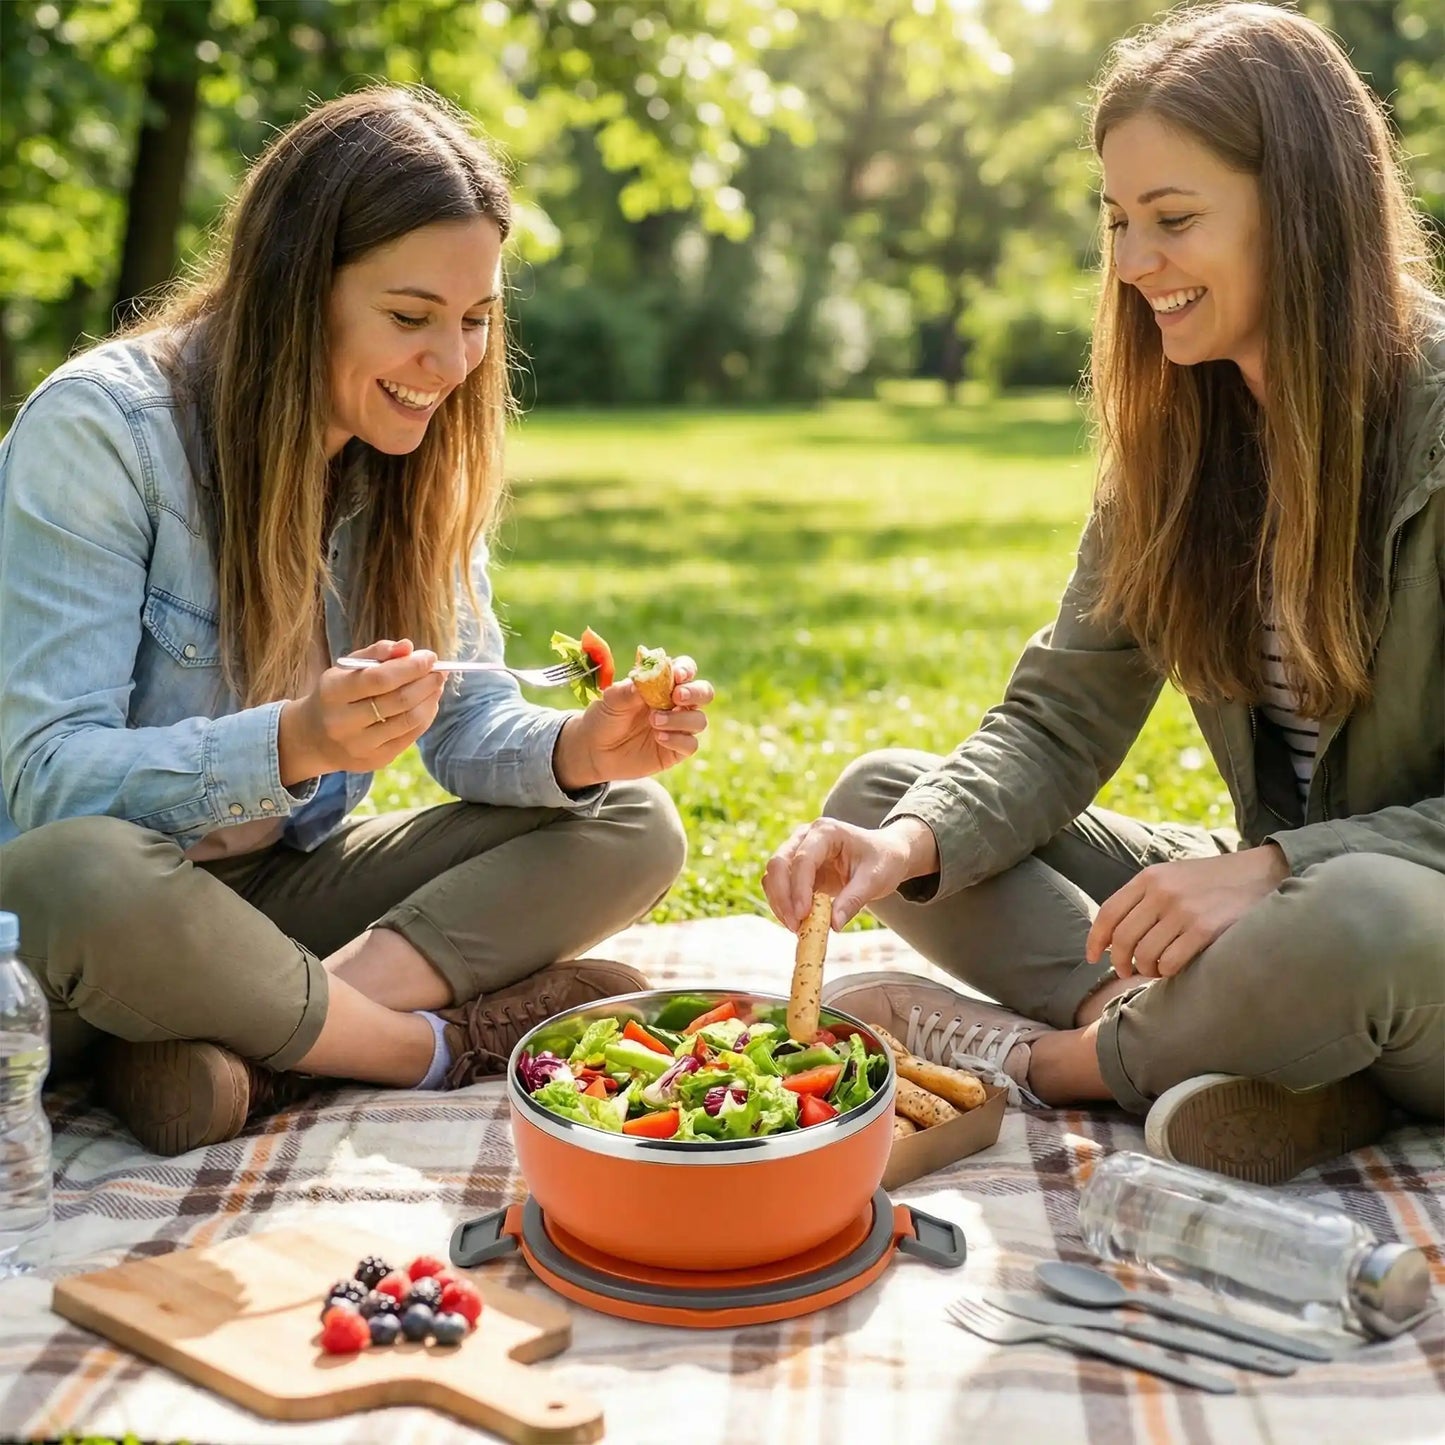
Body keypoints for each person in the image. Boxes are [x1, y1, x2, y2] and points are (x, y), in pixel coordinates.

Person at [763, 2, 1444, 1185]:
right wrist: (902, 841)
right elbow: (1058, 714)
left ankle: (1061, 1060)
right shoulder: (1185, 432)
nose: (1132, 266)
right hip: (1286, 928)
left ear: (1302, 208)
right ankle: (1273, 1064)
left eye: (1172, 221)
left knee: (1358, 919)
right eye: (1118, 222)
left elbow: (1348, 895)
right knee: (885, 797)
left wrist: (1271, 869)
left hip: (1395, 933)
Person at [0, 87, 714, 1157]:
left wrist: (576, 746)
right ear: (298, 291)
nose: (451, 363)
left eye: (475, 321)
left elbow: (468, 720)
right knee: (84, 867)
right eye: (411, 317)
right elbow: (43, 780)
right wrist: (292, 743)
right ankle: (411, 1047)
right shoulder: (104, 431)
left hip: (277, 906)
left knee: (629, 821)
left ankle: (248, 1043)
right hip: (86, 920)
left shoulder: (405, 459)